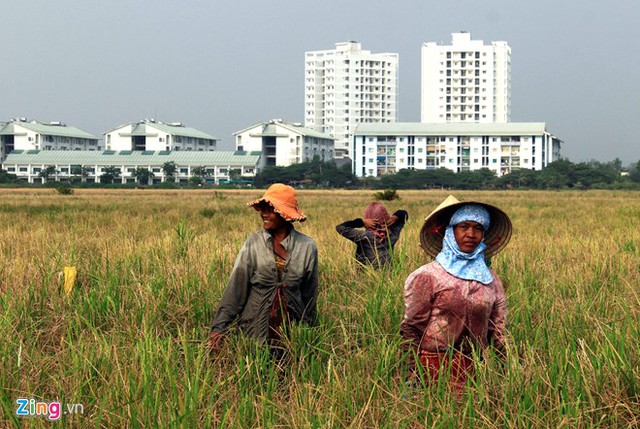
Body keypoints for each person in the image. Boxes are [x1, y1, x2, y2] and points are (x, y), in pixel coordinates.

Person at [400, 195, 512, 393]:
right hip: (432, 365)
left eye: (478, 228)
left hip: (475, 368)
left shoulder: (491, 280)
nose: (471, 234)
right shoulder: (428, 275)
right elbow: (412, 328)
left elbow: (498, 329)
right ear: (450, 232)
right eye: (464, 227)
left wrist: (511, 367)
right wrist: (412, 372)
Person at [208, 183, 318, 356]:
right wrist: (219, 327)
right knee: (256, 375)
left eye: (270, 209)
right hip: (254, 330)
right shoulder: (253, 243)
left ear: (284, 214)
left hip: (292, 334)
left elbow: (309, 295)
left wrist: (309, 331)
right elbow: (236, 288)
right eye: (262, 209)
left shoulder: (307, 246)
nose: (263, 214)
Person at [335, 202, 408, 268]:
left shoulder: (364, 237)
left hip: (365, 276)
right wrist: (395, 217)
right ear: (386, 217)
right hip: (388, 274)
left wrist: (362, 222)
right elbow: (404, 214)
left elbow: (340, 228)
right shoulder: (392, 233)